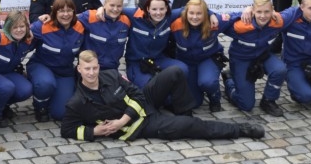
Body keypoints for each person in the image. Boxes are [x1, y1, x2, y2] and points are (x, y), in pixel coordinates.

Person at [61, 51, 264, 142]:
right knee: (189, 127)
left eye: (95, 68)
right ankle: (241, 130)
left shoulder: (111, 75)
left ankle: (185, 113)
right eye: (87, 69)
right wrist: (94, 131)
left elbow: (138, 96)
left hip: (138, 109)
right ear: (79, 69)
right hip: (140, 126)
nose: (92, 73)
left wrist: (121, 119)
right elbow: (67, 129)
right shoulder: (77, 102)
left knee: (174, 72)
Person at [222, 0, 298, 117]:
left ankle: (268, 100)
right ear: (253, 10)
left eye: (267, 11)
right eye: (259, 12)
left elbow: (297, 10)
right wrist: (243, 11)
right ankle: (229, 81)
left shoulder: (278, 21)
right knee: (246, 105)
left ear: (273, 9)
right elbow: (220, 21)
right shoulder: (240, 25)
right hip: (241, 59)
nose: (263, 16)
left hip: (263, 56)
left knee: (280, 69)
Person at [28, 0, 86, 121]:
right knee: (45, 84)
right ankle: (40, 106)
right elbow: (21, 35)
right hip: (41, 66)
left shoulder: (80, 27)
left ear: (74, 12)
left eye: (69, 10)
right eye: (61, 11)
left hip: (64, 72)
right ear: (54, 12)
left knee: (61, 114)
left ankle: (52, 98)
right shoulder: (42, 26)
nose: (66, 14)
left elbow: (96, 16)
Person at [122, 0, 188, 89]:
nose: (158, 13)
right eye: (154, 9)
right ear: (148, 9)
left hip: (158, 59)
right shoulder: (135, 15)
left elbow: (193, 8)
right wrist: (102, 9)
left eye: (162, 9)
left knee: (183, 69)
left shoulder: (169, 17)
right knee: (150, 86)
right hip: (136, 62)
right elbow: (115, 9)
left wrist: (211, 14)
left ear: (166, 8)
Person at [170, 0, 225, 111]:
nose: (195, 17)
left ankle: (214, 97)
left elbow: (236, 17)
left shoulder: (214, 21)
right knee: (195, 103)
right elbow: (161, 15)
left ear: (205, 13)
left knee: (207, 82)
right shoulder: (176, 24)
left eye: (199, 13)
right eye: (191, 13)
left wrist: (250, 9)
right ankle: (198, 85)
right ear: (186, 13)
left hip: (208, 59)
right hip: (187, 63)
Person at [75, 0, 131, 71]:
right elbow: (68, 20)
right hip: (89, 69)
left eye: (119, 6)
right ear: (104, 4)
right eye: (112, 5)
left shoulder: (126, 21)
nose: (115, 9)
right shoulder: (90, 17)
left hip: (112, 69)